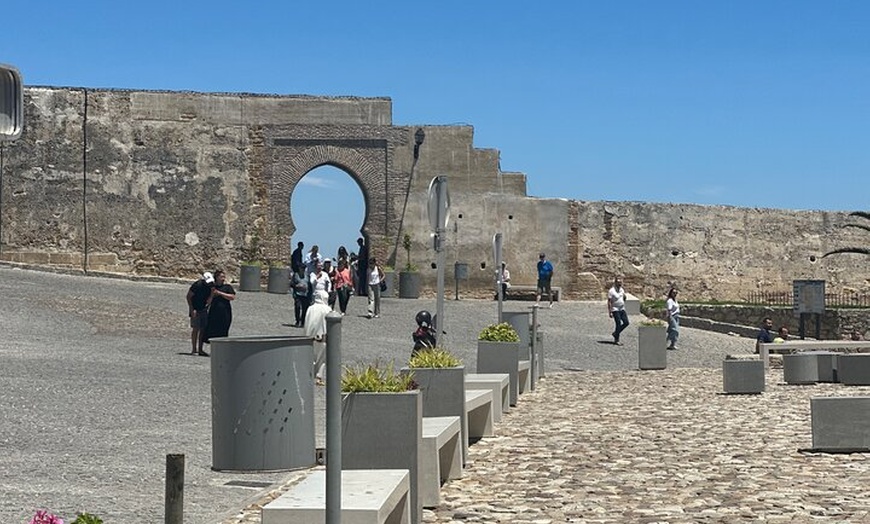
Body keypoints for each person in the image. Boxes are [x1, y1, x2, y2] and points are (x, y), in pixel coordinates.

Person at [203, 270, 236, 349]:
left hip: (225, 312)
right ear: (216, 278)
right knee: (213, 330)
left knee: (223, 329)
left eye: (224, 277)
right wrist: (212, 294)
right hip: (214, 312)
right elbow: (208, 301)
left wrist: (220, 293)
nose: (223, 278)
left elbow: (232, 297)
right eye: (221, 277)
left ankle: (222, 349)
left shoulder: (227, 287)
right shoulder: (212, 288)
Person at [186, 271, 214, 355]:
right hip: (195, 308)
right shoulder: (197, 285)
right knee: (195, 329)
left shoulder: (211, 285)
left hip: (204, 309)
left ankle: (200, 349)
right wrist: (192, 309)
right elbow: (188, 296)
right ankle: (194, 349)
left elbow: (212, 293)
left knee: (203, 329)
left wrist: (210, 299)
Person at [607, 276, 629, 346]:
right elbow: (609, 302)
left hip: (622, 309)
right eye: (618, 282)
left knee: (626, 322)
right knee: (618, 323)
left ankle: (616, 333)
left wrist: (624, 299)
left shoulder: (622, 290)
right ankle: (617, 340)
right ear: (615, 282)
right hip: (615, 309)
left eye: (620, 282)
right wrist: (610, 312)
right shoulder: (611, 291)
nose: (620, 283)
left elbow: (624, 297)